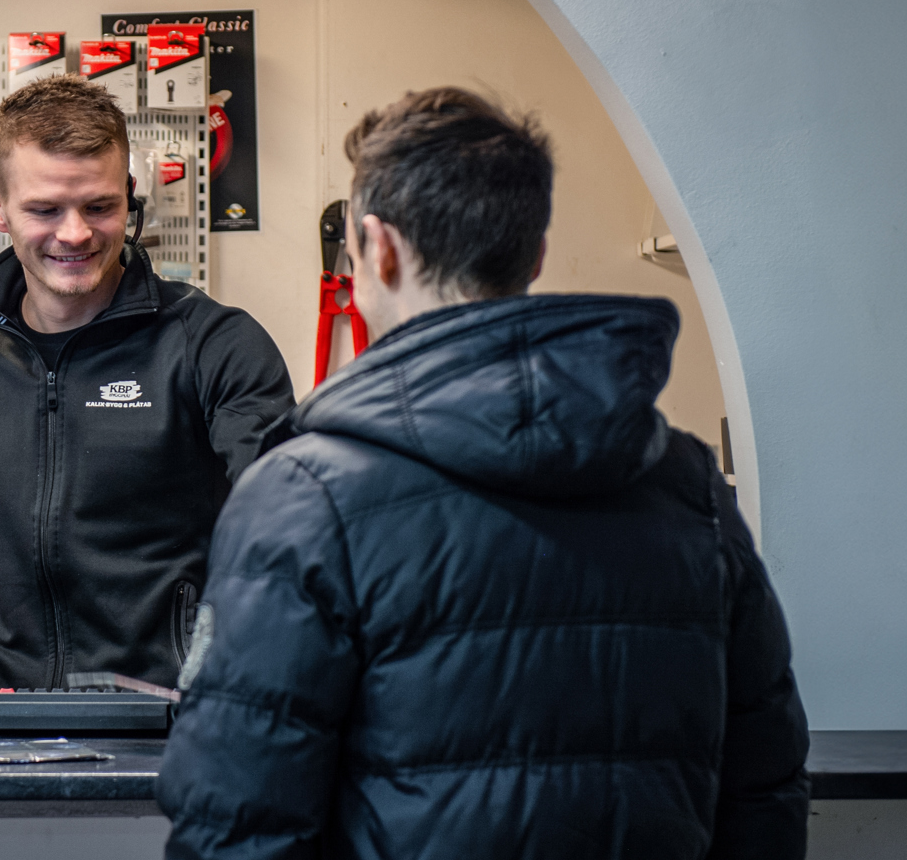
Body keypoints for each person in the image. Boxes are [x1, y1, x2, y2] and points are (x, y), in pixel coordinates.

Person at [158, 87, 809, 859]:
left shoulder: (301, 496)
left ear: (378, 248)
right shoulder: (687, 483)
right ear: (532, 254)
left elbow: (241, 829)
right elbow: (763, 790)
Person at [0, 75, 294, 707]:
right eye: (45, 210)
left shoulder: (213, 344)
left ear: (130, 197)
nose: (76, 233)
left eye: (100, 206)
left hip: (169, 722)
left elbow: (287, 530)